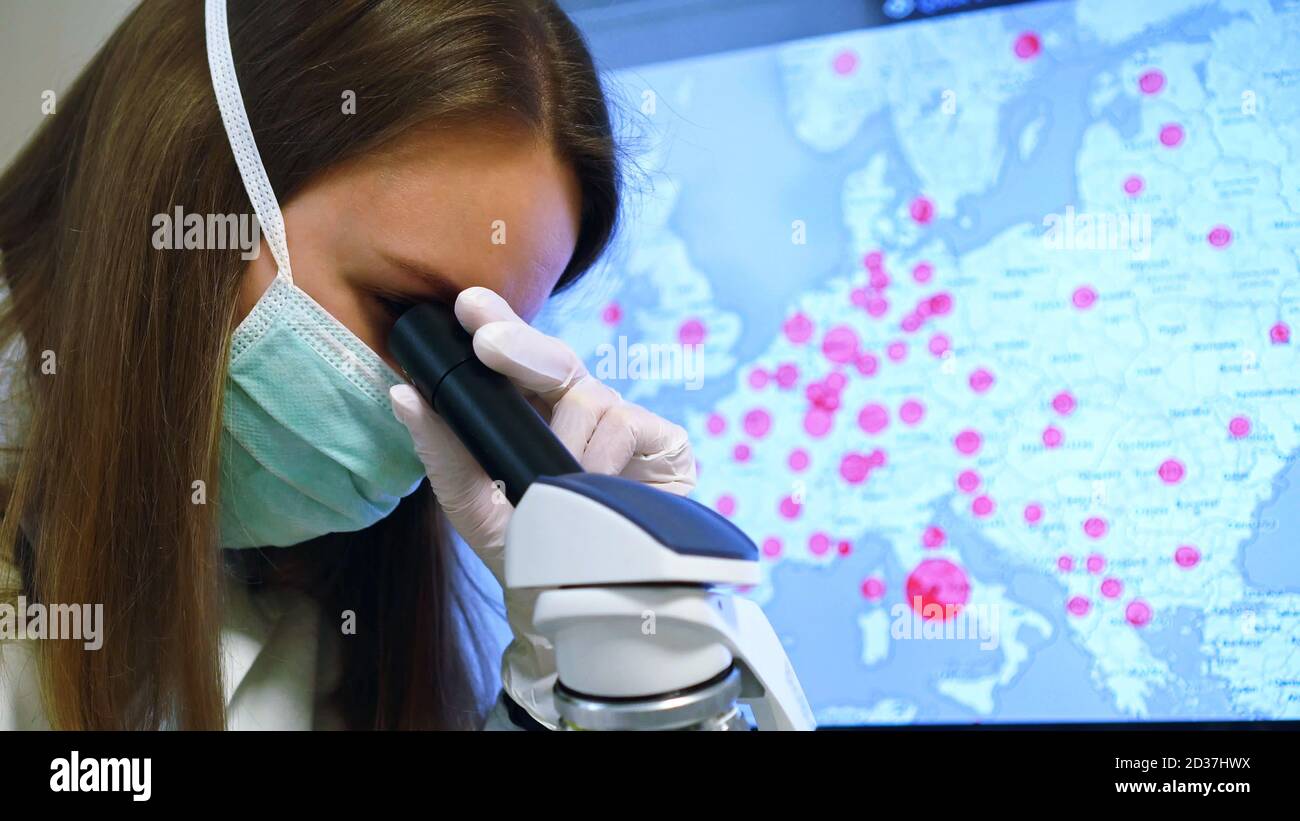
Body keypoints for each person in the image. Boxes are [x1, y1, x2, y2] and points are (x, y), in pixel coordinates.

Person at [0, 0, 695, 731]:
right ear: (195, 186)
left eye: (483, 357)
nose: (434, 397)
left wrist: (599, 671)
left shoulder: (324, 605)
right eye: (406, 310)